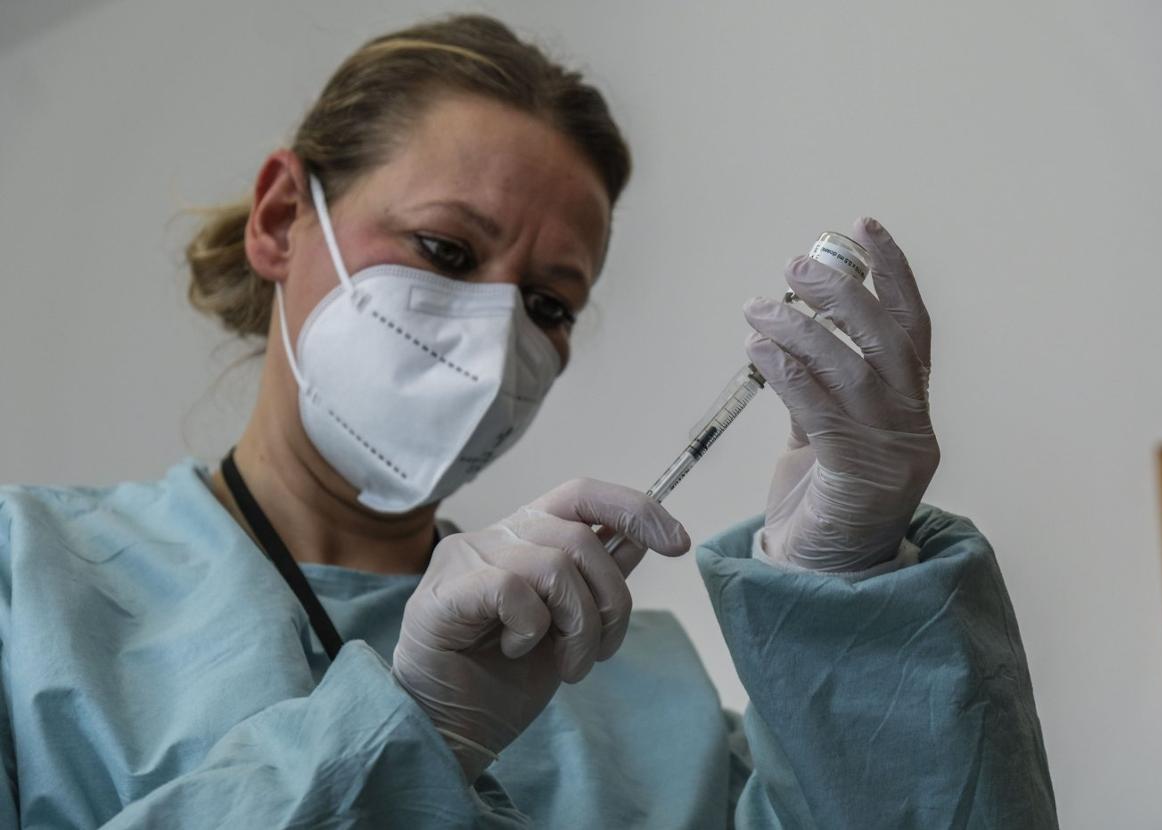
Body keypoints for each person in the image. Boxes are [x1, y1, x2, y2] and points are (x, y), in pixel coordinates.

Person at [0, 14, 1057, 829]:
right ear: (282, 217)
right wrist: (403, 728)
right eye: (447, 252)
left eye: (549, 303)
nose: (495, 335)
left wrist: (855, 593)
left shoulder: (626, 676)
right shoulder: (28, 589)